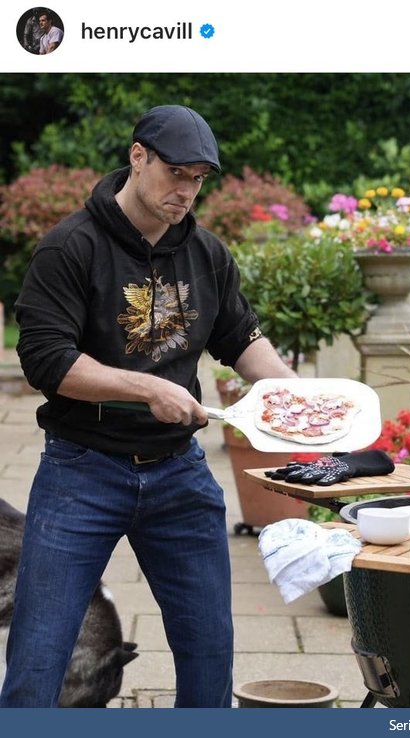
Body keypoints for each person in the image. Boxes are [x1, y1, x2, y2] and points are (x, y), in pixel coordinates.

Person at [0, 104, 297, 708]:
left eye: (199, 179)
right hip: (81, 472)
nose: (186, 191)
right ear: (138, 157)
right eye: (176, 173)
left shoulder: (208, 254)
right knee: (39, 652)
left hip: (178, 476)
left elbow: (240, 340)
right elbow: (48, 362)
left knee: (208, 647)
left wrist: (301, 397)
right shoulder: (69, 248)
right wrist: (148, 389)